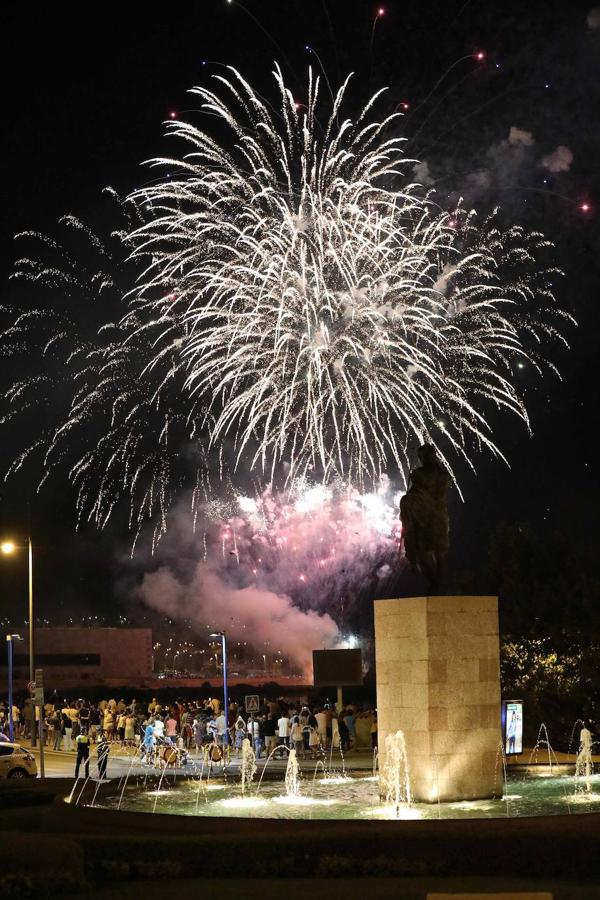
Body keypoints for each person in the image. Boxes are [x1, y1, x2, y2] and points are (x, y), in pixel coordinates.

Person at [400, 443, 451, 592]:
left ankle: (438, 583)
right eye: (422, 456)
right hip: (420, 516)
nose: (424, 459)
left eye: (427, 455)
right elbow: (413, 493)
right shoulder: (417, 474)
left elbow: (439, 494)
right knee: (421, 551)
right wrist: (408, 499)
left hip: (436, 515)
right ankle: (433, 582)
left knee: (440, 550)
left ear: (433, 455)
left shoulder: (442, 475)